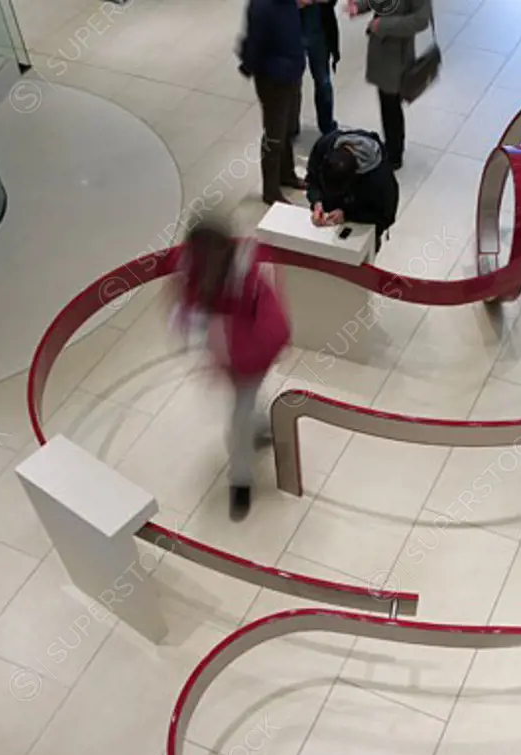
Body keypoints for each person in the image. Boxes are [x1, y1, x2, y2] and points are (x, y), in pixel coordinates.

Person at [171, 217, 291, 521]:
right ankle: (262, 428)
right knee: (245, 406)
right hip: (232, 360)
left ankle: (240, 480)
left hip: (250, 360)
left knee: (238, 421)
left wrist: (239, 360)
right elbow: (187, 307)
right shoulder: (196, 276)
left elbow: (270, 325)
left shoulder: (247, 282)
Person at [345, 0, 431, 171]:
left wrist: (383, 25)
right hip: (382, 50)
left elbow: (421, 20)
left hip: (397, 54)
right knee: (387, 101)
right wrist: (359, 6)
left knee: (391, 103)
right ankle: (392, 147)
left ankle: (394, 153)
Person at [239, 0, 306, 205]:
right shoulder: (262, 6)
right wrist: (249, 67)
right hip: (274, 79)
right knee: (275, 134)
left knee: (288, 128)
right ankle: (271, 189)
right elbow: (254, 43)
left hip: (293, 72)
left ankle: (287, 174)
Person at [306, 128, 399, 251]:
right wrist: (317, 201)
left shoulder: (380, 179)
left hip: (360, 231)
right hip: (327, 229)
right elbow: (312, 179)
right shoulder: (324, 146)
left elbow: (386, 216)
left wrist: (348, 215)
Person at [293, 0, 340, 138]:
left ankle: (327, 125)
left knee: (323, 81)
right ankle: (290, 126)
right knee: (292, 83)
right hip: (292, 27)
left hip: (319, 28)